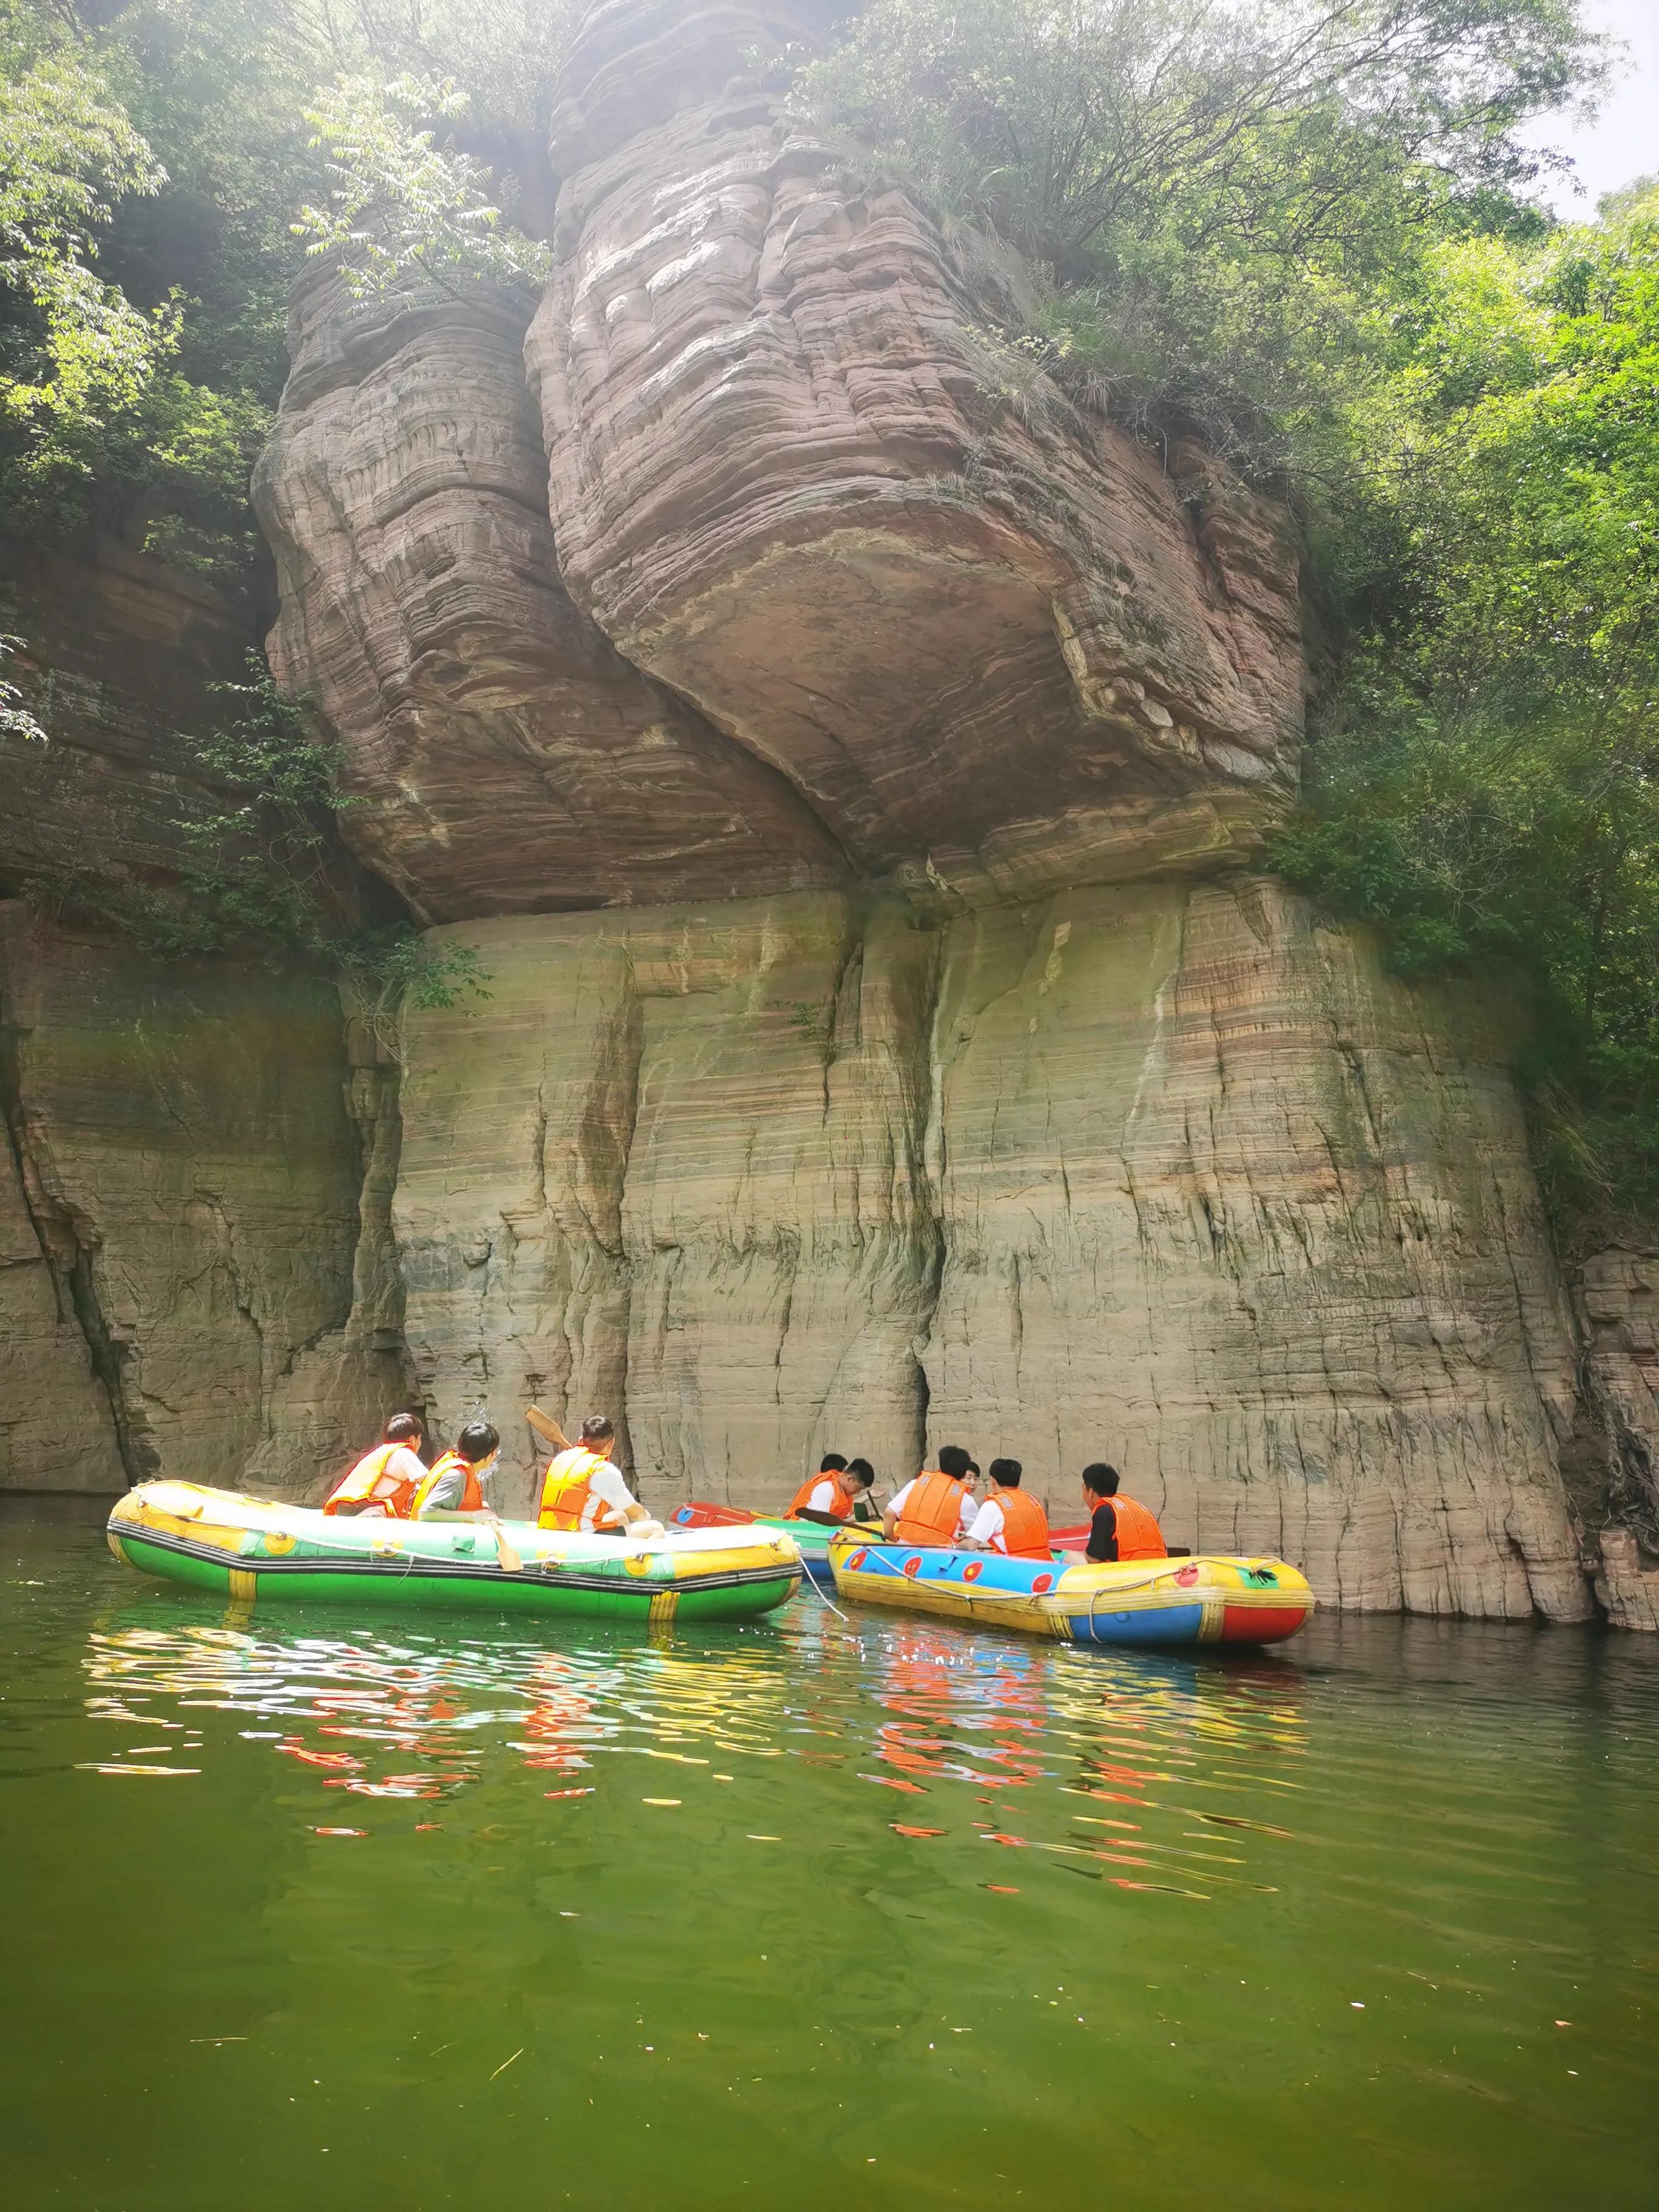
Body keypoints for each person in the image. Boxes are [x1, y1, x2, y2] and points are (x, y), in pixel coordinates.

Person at [538, 1415, 662, 1536]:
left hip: (549, 1529)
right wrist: (645, 1516)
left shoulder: (561, 1458)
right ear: (611, 1443)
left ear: (581, 1440)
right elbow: (634, 1512)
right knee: (656, 1528)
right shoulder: (603, 1470)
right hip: (578, 1535)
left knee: (621, 1517)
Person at [322, 1412, 428, 1518]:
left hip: (360, 1511)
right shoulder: (404, 1453)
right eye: (420, 1439)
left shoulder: (382, 1452)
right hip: (377, 1515)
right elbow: (429, 1481)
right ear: (412, 1439)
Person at [883, 1446, 977, 1546]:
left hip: (905, 1551)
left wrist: (890, 1536)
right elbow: (977, 1535)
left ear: (940, 1467)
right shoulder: (966, 1499)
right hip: (938, 1556)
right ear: (963, 1475)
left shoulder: (915, 1484)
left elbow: (889, 1513)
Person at [410, 1421, 504, 1521]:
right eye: (495, 1452)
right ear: (490, 1455)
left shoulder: (461, 1467)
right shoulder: (457, 1475)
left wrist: (480, 1507)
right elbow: (427, 1513)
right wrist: (474, 1516)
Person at [965, 1458, 1052, 1559]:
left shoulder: (992, 1505)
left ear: (993, 1481)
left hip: (1014, 1566)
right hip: (1045, 1562)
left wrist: (954, 1546)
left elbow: (971, 1545)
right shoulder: (1033, 1500)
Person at [1081, 1463, 1167, 1562]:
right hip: (1158, 1568)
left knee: (1071, 1558)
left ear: (1090, 1492)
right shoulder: (1139, 1507)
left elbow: (1095, 1559)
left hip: (1130, 1572)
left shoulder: (1104, 1512)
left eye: (1083, 1488)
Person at [785, 1455, 876, 1526]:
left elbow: (844, 1518)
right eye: (859, 1488)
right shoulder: (826, 1488)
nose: (858, 1492)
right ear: (849, 1479)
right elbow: (820, 1525)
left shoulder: (845, 1495)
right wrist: (852, 1520)